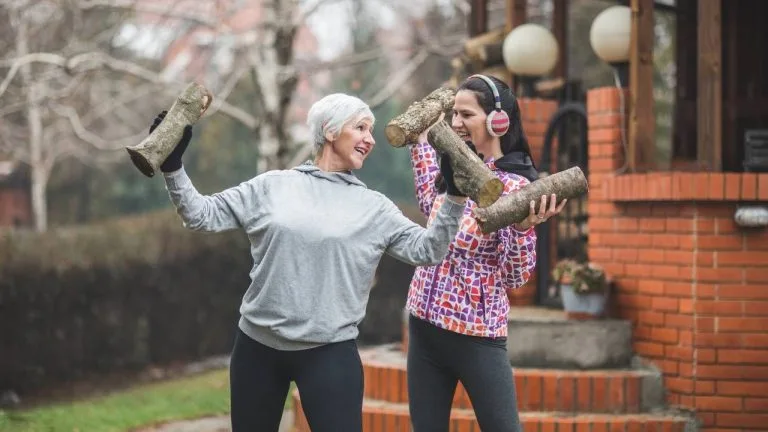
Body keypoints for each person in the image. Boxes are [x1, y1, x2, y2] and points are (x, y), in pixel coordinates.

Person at [149, 93, 468, 432]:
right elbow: (201, 215)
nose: (370, 139)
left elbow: (428, 250)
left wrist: (454, 197)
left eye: (371, 131)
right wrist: (173, 167)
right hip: (257, 349)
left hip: (329, 354)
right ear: (330, 130)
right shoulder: (272, 186)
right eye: (360, 128)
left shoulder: (374, 208)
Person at [405, 74, 567, 432]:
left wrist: (523, 230)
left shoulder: (517, 187)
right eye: (454, 114)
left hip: (476, 334)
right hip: (423, 326)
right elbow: (431, 207)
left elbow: (515, 277)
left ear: (498, 121)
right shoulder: (454, 162)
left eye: (466, 115)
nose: (456, 123)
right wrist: (418, 143)